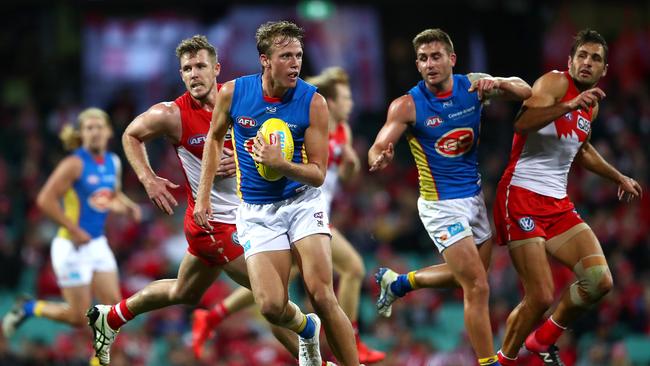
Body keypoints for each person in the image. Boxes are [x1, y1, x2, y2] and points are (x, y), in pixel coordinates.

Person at [85, 35, 320, 366]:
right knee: (269, 294)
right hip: (212, 223)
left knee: (184, 292)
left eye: (200, 66)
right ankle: (315, 357)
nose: (194, 74)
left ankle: (111, 318)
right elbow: (131, 134)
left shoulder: (240, 100)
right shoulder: (172, 114)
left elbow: (273, 146)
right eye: (187, 68)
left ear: (216, 69)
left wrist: (242, 160)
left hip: (248, 215)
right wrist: (148, 179)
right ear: (181, 75)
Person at [191, 67, 385, 364]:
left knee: (329, 287)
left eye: (298, 57)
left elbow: (331, 174)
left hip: (307, 209)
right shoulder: (284, 111)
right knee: (271, 303)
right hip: (265, 211)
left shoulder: (337, 129)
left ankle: (349, 346)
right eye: (345, 98)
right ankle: (307, 332)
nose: (351, 104)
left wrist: (350, 163)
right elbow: (227, 141)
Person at [368, 28, 531, 366]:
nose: (430, 64)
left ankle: (399, 283)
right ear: (417, 64)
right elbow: (378, 145)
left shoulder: (473, 86)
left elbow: (525, 90)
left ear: (452, 59)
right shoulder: (407, 105)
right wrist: (379, 155)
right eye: (424, 59)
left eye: (437, 56)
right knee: (478, 287)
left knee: (471, 277)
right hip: (440, 206)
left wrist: (497, 83)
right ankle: (489, 362)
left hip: (473, 199)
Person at [493, 29, 642, 366]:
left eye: (596, 59)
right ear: (570, 60)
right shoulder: (554, 84)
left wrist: (618, 176)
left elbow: (582, 148)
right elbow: (523, 122)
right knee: (541, 294)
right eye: (582, 56)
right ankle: (503, 361)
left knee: (599, 280)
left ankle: (543, 338)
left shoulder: (591, 107)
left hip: (556, 204)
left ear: (605, 70)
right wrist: (568, 104)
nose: (587, 63)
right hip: (520, 194)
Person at [2, 108, 140, 339]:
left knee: (113, 308)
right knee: (78, 317)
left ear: (108, 132)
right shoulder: (74, 164)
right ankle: (27, 308)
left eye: (99, 127)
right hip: (71, 246)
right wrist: (73, 229)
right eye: (89, 128)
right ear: (81, 135)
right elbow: (45, 199)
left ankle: (98, 360)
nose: (95, 132)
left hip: (97, 243)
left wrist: (128, 206)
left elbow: (110, 195)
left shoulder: (113, 162)